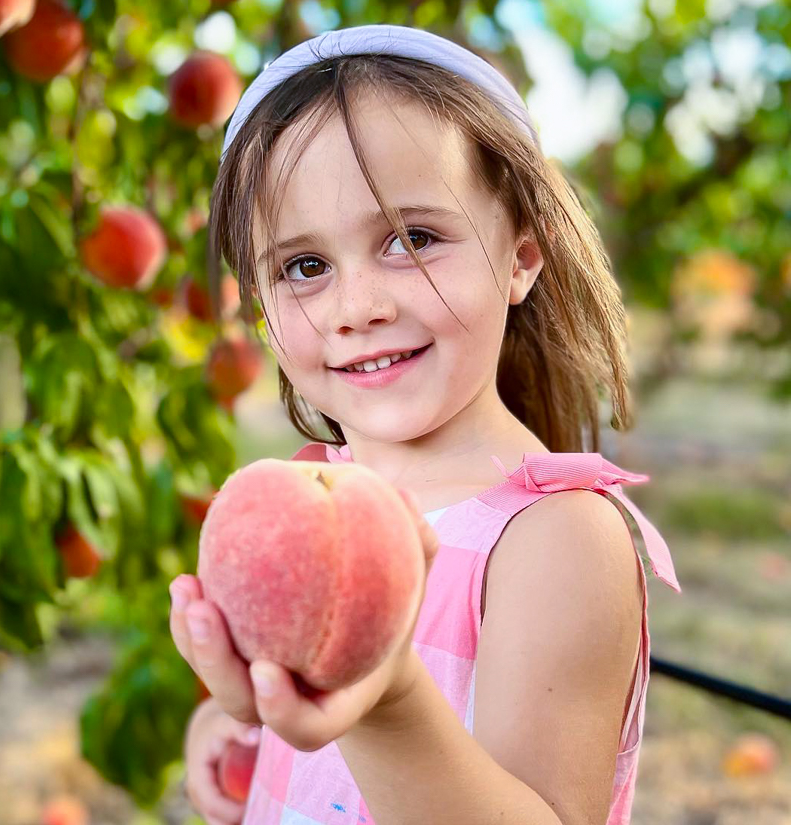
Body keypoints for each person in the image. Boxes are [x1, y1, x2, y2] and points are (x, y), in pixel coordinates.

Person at [168, 23, 682, 825]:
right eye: (304, 265)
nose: (357, 306)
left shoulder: (555, 537)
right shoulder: (312, 499)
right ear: (258, 303)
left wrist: (385, 700)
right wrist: (234, 726)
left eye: (412, 239)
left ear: (520, 257)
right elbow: (301, 741)